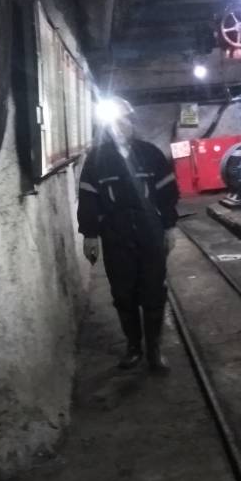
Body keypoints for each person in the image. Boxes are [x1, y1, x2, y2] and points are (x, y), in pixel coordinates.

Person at [78, 97, 179, 373]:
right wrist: (90, 234)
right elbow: (88, 199)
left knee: (154, 290)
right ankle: (134, 347)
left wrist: (169, 227)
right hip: (116, 234)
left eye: (124, 120)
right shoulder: (97, 160)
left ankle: (154, 350)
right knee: (123, 293)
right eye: (114, 122)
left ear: (132, 122)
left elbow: (167, 193)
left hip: (150, 232)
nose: (120, 126)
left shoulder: (150, 154)